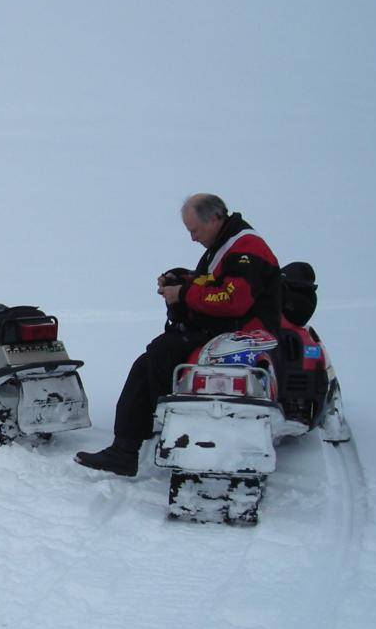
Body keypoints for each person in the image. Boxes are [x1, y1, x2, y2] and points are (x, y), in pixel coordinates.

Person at [75, 193, 281, 476]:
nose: (192, 238)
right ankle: (125, 449)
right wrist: (183, 279)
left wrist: (184, 293)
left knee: (162, 352)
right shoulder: (224, 245)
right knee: (146, 362)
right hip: (223, 327)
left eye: (194, 230)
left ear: (215, 219)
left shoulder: (246, 248)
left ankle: (172, 420)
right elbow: (213, 283)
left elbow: (233, 299)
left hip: (242, 333)